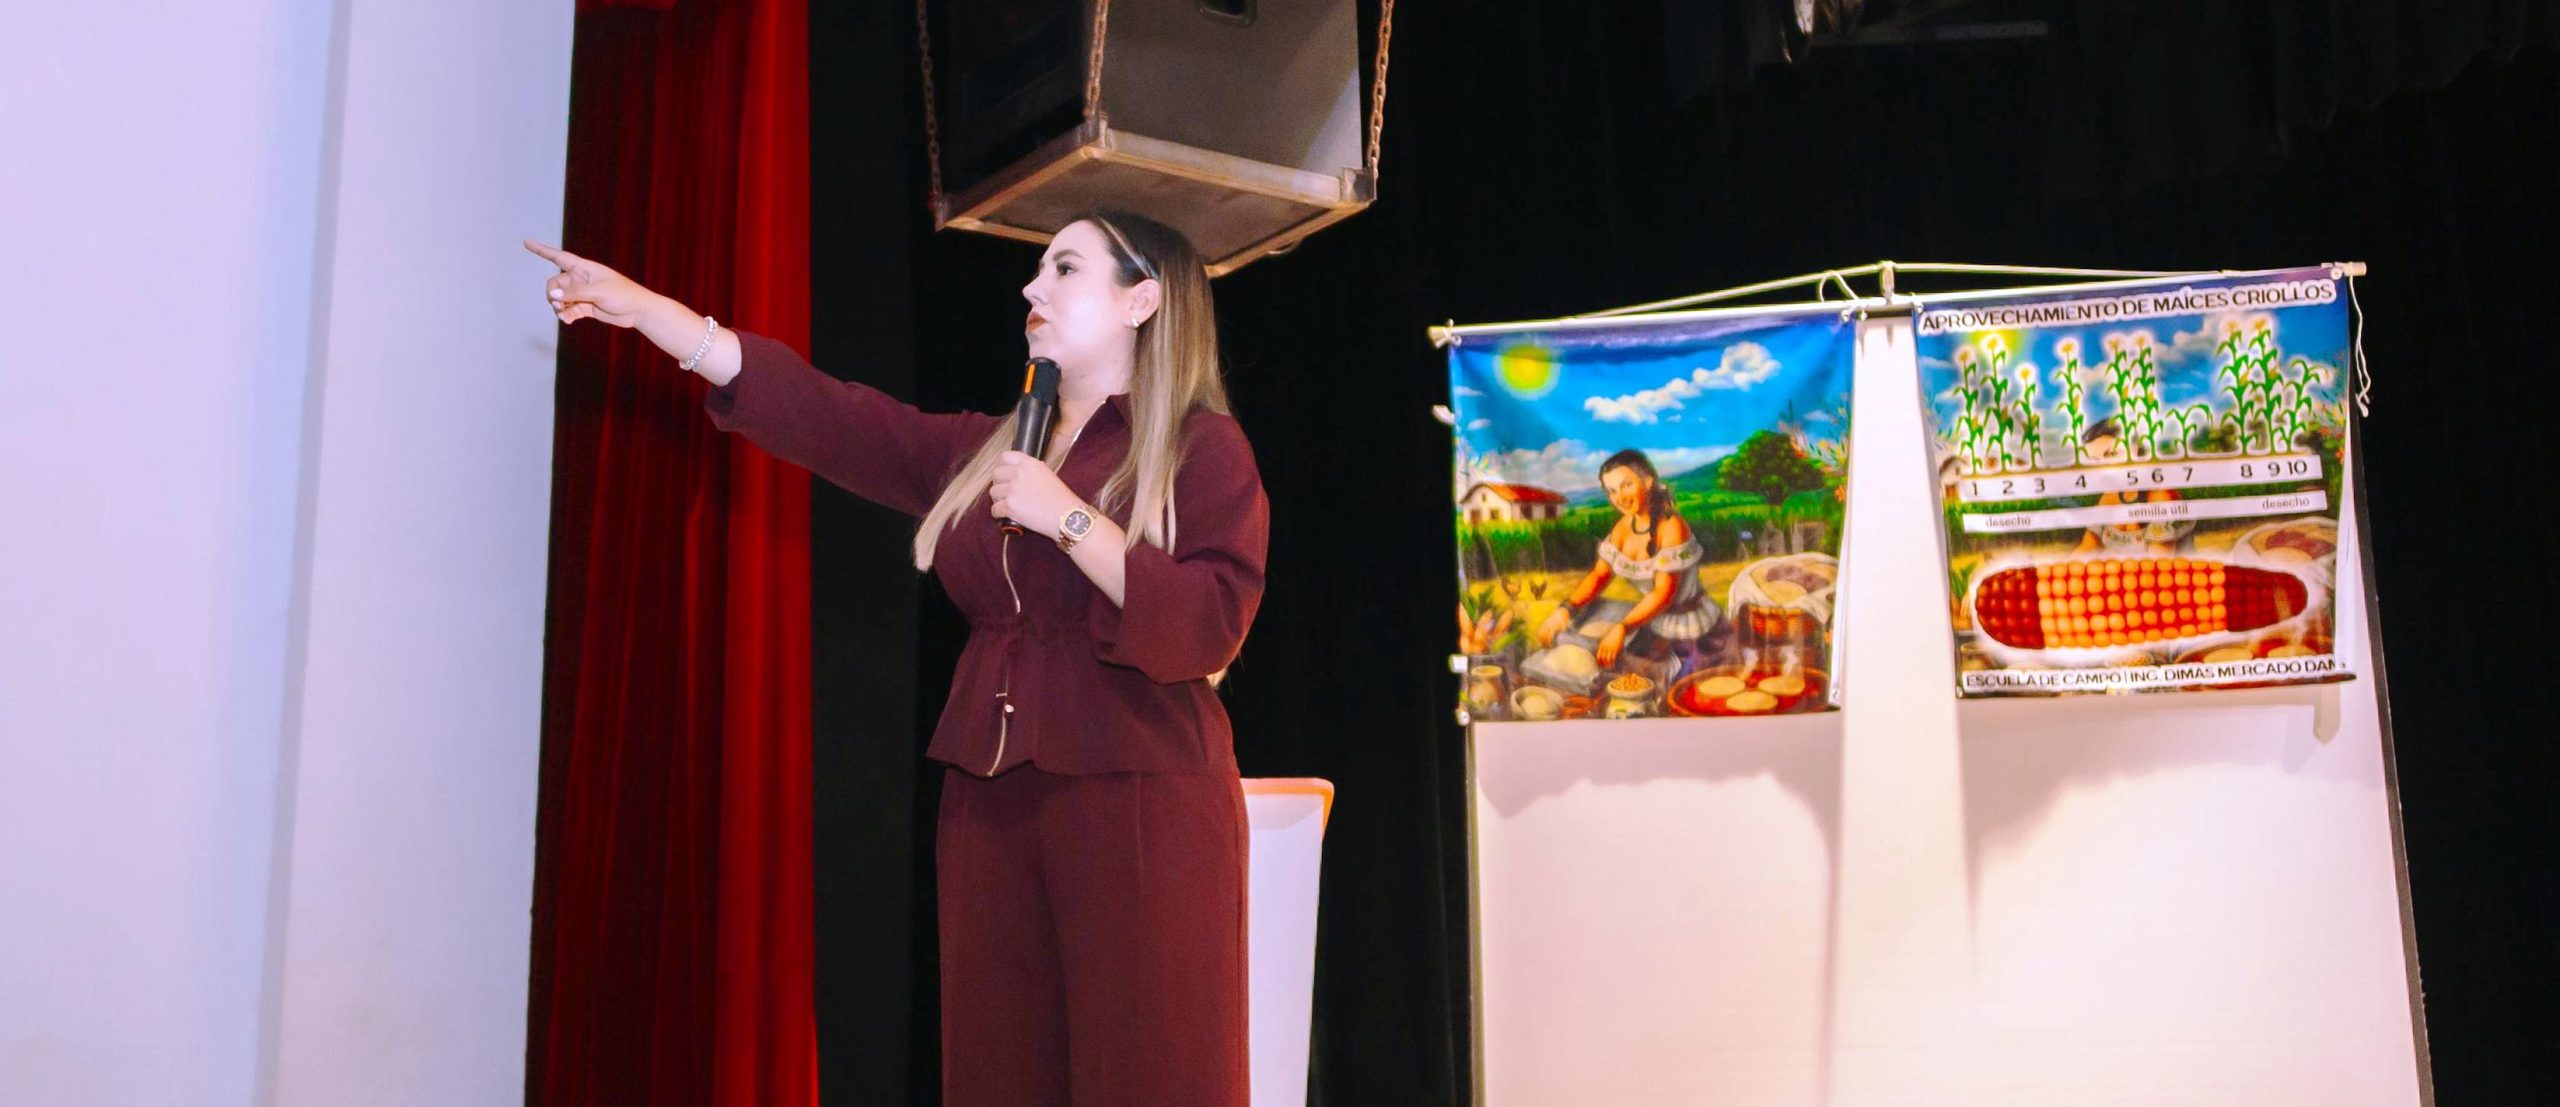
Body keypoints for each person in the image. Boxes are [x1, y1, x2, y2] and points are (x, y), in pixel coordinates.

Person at [525, 209, 1265, 1107]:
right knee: (997, 1080)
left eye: (1065, 268)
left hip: (1138, 796)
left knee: (1150, 1077)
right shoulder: (990, 448)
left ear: (1141, 300)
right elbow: (833, 417)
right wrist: (653, 314)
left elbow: (1210, 623)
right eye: (1038, 269)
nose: (1032, 287)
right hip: (989, 803)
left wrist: (1067, 517)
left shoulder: (1200, 447)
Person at [1534, 448, 1716, 675]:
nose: (1619, 497)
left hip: (1687, 629)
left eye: (1626, 485)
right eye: (1612, 491)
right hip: (1649, 622)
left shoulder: (1671, 527)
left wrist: (1622, 627)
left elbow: (1663, 594)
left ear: (1647, 481)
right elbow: (1600, 575)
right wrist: (1566, 609)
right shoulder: (1623, 527)